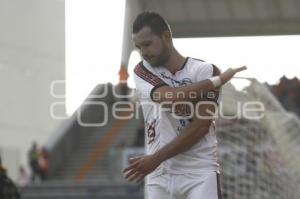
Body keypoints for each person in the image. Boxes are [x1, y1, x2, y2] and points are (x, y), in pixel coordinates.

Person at [123, 11, 246, 199]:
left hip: (199, 172)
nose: (144, 53)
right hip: (159, 175)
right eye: (139, 47)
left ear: (166, 37)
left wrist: (156, 159)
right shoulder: (142, 70)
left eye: (147, 44)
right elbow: (171, 97)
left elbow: (200, 127)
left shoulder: (204, 70)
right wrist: (218, 80)